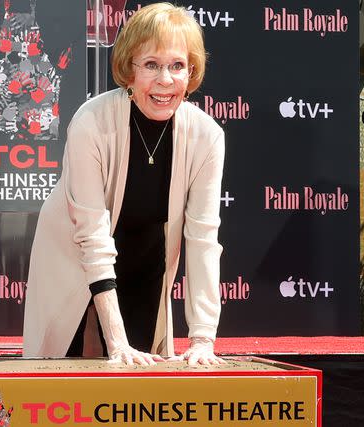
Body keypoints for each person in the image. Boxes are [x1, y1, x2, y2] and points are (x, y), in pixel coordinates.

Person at [23, 2, 225, 366]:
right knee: (63, 371)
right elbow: (91, 236)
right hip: (74, 254)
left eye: (177, 66)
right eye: (151, 65)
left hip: (146, 258)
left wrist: (202, 339)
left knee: (138, 377)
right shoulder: (90, 122)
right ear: (129, 70)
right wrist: (116, 340)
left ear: (191, 72)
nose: (165, 80)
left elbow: (203, 240)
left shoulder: (207, 136)